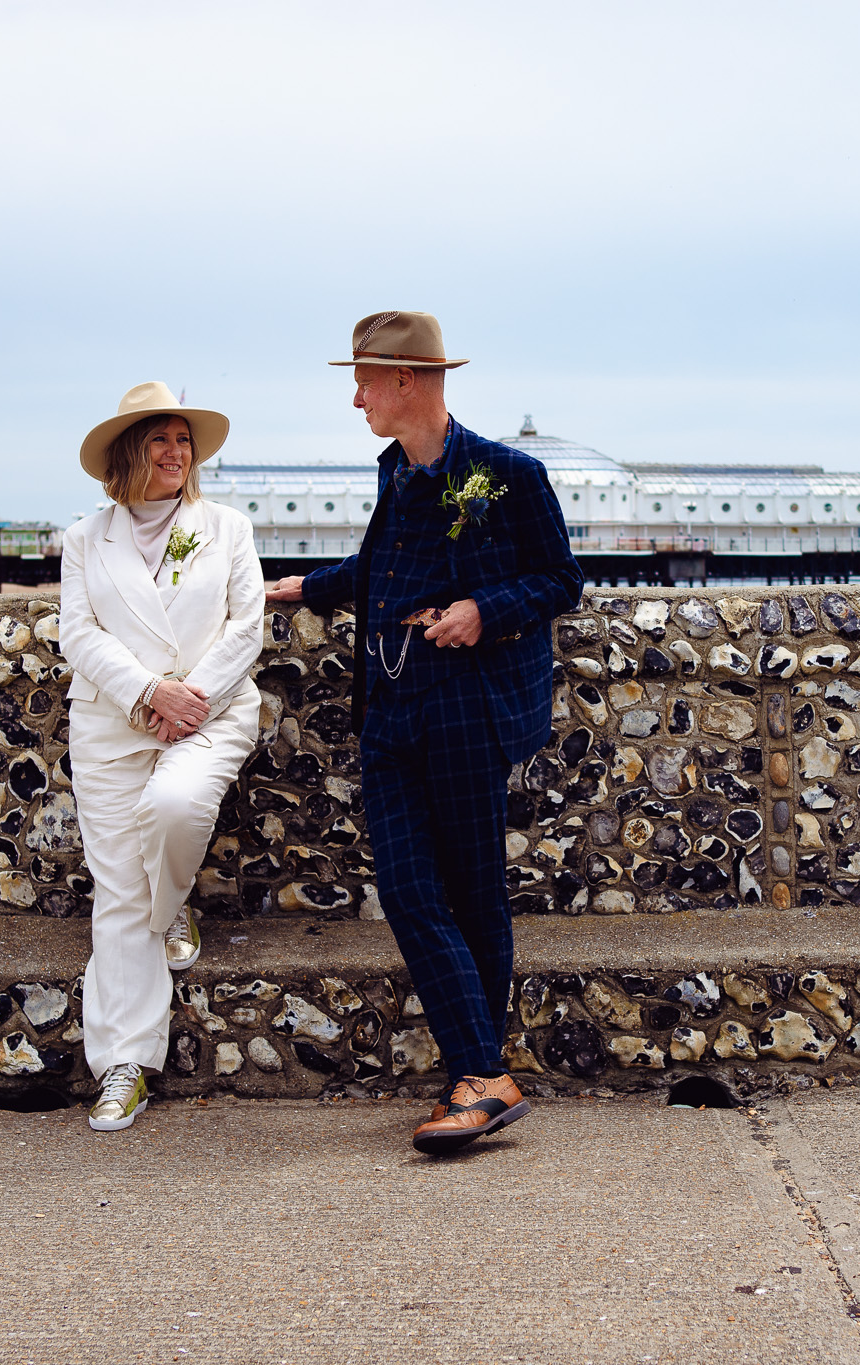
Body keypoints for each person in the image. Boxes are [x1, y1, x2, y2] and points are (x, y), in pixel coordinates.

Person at [266, 311, 583, 1155]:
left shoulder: (508, 473)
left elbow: (560, 577)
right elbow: (384, 569)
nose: (356, 396)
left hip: (468, 708)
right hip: (390, 707)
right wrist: (304, 587)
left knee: (476, 895)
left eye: (365, 379)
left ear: (407, 379)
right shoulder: (396, 471)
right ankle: (484, 1072)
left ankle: (476, 1080)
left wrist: (486, 610)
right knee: (407, 888)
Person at [60, 381, 266, 1132]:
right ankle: (125, 1062)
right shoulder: (86, 537)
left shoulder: (227, 528)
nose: (177, 452)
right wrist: (149, 691)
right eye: (160, 440)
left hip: (209, 714)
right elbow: (77, 635)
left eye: (184, 439)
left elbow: (247, 625)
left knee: (176, 808)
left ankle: (172, 900)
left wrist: (191, 696)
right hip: (115, 721)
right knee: (118, 896)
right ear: (128, 454)